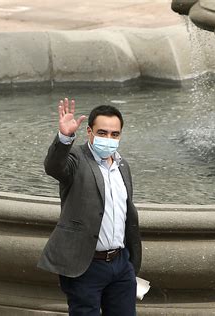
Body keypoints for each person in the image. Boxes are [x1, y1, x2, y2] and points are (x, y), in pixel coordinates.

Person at [38, 98, 142, 316]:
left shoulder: (123, 165)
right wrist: (65, 138)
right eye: (102, 133)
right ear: (90, 132)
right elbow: (54, 167)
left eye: (115, 134)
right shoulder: (76, 157)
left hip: (120, 264)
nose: (109, 139)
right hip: (86, 265)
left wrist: (130, 263)